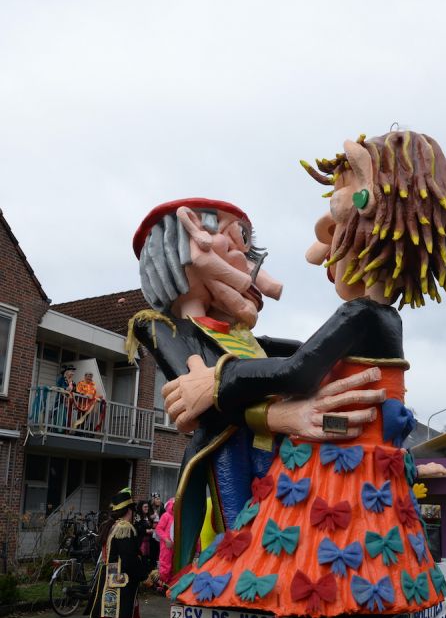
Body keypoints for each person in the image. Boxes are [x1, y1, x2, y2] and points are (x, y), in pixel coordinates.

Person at [164, 129, 446, 617]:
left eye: (334, 234)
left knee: (304, 558)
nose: (323, 256)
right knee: (353, 558)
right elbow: (306, 352)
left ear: (368, 217)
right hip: (369, 473)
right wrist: (253, 346)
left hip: (339, 473)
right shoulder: (383, 320)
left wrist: (220, 378)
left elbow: (299, 370)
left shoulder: (360, 314)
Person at [126, 198, 387, 573]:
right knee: (245, 541)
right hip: (230, 456)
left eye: (246, 250)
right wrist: (277, 411)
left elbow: (304, 360)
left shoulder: (252, 342)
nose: (247, 266)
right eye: (230, 245)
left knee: (289, 531)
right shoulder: (161, 327)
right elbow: (204, 404)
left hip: (280, 451)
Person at [79, 489, 152, 618]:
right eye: (133, 509)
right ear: (129, 510)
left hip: (108, 589)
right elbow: (129, 562)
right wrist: (145, 575)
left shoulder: (109, 527)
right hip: (124, 590)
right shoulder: (124, 528)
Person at [54, 365, 76, 430]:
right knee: (60, 415)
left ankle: (65, 430)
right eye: (71, 371)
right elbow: (58, 387)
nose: (72, 373)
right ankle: (58, 430)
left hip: (69, 402)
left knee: (67, 417)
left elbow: (75, 391)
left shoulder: (73, 382)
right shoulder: (61, 379)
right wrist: (65, 389)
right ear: (66, 372)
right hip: (61, 400)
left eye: (73, 372)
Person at [134, 500, 155, 567]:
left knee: (149, 557)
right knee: (143, 558)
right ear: (141, 508)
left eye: (147, 507)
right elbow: (137, 528)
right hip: (141, 541)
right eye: (145, 507)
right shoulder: (137, 516)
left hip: (149, 541)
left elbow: (151, 526)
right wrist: (146, 531)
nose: (147, 508)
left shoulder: (148, 516)